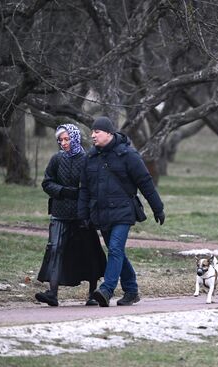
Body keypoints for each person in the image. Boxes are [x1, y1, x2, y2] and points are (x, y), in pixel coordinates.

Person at [78, 116, 165, 307]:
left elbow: (145, 182)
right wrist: (82, 214)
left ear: (109, 133)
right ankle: (131, 291)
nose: (93, 135)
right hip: (101, 213)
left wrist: (158, 208)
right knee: (116, 251)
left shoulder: (128, 155)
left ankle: (106, 290)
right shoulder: (90, 158)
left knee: (115, 248)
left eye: (97, 131)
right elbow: (84, 188)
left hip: (123, 212)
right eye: (92, 131)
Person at [36, 124, 107, 307]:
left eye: (67, 139)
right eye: (60, 140)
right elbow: (47, 183)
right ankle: (52, 293)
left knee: (89, 252)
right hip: (60, 214)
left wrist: (85, 202)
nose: (63, 143)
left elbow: (94, 186)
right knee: (55, 250)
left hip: (82, 215)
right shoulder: (56, 159)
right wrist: (63, 191)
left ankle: (92, 294)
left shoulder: (87, 159)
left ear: (75, 138)